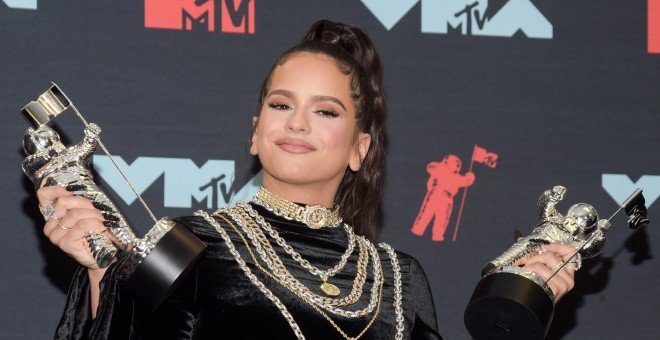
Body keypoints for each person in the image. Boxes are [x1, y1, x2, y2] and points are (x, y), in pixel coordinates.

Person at [34, 20, 576, 339]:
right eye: (281, 104)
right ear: (255, 131)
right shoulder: (188, 245)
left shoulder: (399, 277)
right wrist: (105, 270)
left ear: (360, 148)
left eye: (326, 112)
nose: (297, 122)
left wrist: (519, 305)